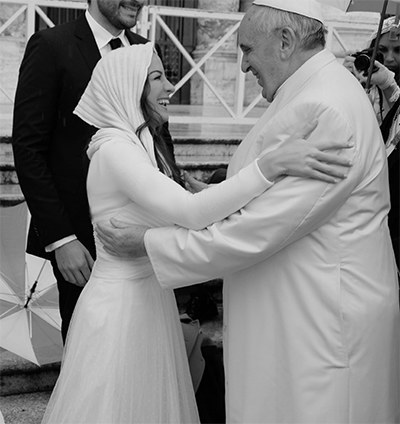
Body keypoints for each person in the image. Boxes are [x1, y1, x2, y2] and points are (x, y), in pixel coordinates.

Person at [96, 1, 400, 423]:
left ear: (285, 41)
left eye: (247, 50)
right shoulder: (308, 91)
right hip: (295, 315)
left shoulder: (328, 109)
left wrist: (150, 243)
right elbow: (280, 192)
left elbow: (262, 228)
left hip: (320, 325)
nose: (241, 67)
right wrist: (221, 192)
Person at [41, 41, 353, 424]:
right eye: (156, 78)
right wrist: (269, 166)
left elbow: (183, 210)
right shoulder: (114, 150)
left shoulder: (137, 145)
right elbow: (191, 214)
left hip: (148, 301)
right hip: (119, 311)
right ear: (128, 89)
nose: (169, 87)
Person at [12, 0, 149, 342]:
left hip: (140, 229)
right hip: (80, 239)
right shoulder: (50, 46)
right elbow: (29, 148)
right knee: (87, 344)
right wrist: (61, 239)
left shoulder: (146, 49)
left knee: (136, 340)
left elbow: (155, 130)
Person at [343, 16, 400, 269]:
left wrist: (388, 83)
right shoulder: (371, 81)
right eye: (382, 51)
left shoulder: (388, 84)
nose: (389, 58)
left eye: (398, 50)